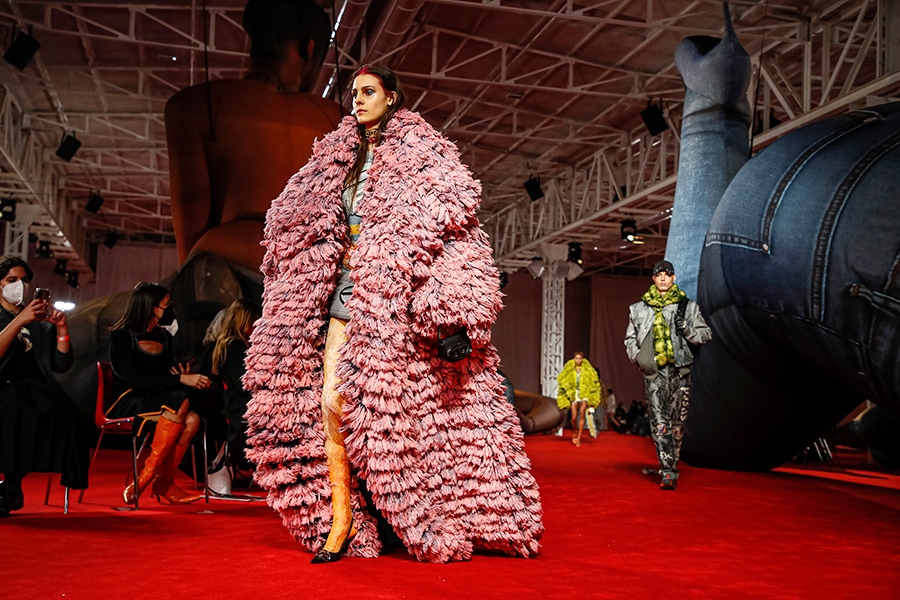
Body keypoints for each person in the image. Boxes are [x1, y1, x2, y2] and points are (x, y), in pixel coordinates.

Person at [243, 64, 543, 564]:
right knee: (329, 405)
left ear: (392, 96)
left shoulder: (428, 159)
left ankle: (417, 515)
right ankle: (340, 521)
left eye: (367, 92)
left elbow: (456, 236)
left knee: (405, 418)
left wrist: (456, 314)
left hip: (398, 305)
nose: (356, 101)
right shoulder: (330, 161)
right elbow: (292, 222)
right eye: (353, 94)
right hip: (337, 295)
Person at [108, 282, 212, 505]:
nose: (171, 310)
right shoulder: (121, 337)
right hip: (128, 399)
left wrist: (182, 376)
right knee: (180, 401)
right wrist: (180, 379)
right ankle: (145, 479)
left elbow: (164, 376)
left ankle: (163, 482)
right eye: (166, 305)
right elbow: (135, 381)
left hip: (159, 400)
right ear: (150, 307)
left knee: (192, 419)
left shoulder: (164, 337)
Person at [0, 257, 88, 517]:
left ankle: (12, 486)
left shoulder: (37, 321)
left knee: (65, 411)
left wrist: (62, 328)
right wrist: (20, 320)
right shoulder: (12, 317)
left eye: (25, 280)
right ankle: (11, 487)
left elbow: (61, 364)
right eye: (11, 280)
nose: (20, 286)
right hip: (4, 385)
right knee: (14, 409)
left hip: (34, 388)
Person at [624, 260, 712, 490]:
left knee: (677, 425)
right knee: (659, 422)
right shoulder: (639, 309)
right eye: (658, 274)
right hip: (654, 373)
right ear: (653, 279)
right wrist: (639, 359)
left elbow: (706, 334)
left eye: (667, 274)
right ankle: (668, 471)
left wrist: (689, 330)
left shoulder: (688, 307)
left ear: (673, 278)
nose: (663, 278)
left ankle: (669, 464)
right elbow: (630, 339)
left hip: (680, 371)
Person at [210, 298, 260, 477]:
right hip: (240, 406)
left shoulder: (227, 344)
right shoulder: (235, 346)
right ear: (244, 322)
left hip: (234, 403)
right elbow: (242, 382)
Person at [556, 351, 602, 446]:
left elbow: (594, 382)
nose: (578, 360)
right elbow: (563, 381)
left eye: (580, 358)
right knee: (573, 418)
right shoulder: (569, 369)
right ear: (574, 359)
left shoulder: (587, 369)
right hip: (574, 394)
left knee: (581, 415)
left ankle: (579, 437)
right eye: (576, 358)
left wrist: (592, 398)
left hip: (583, 394)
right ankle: (574, 432)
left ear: (582, 359)